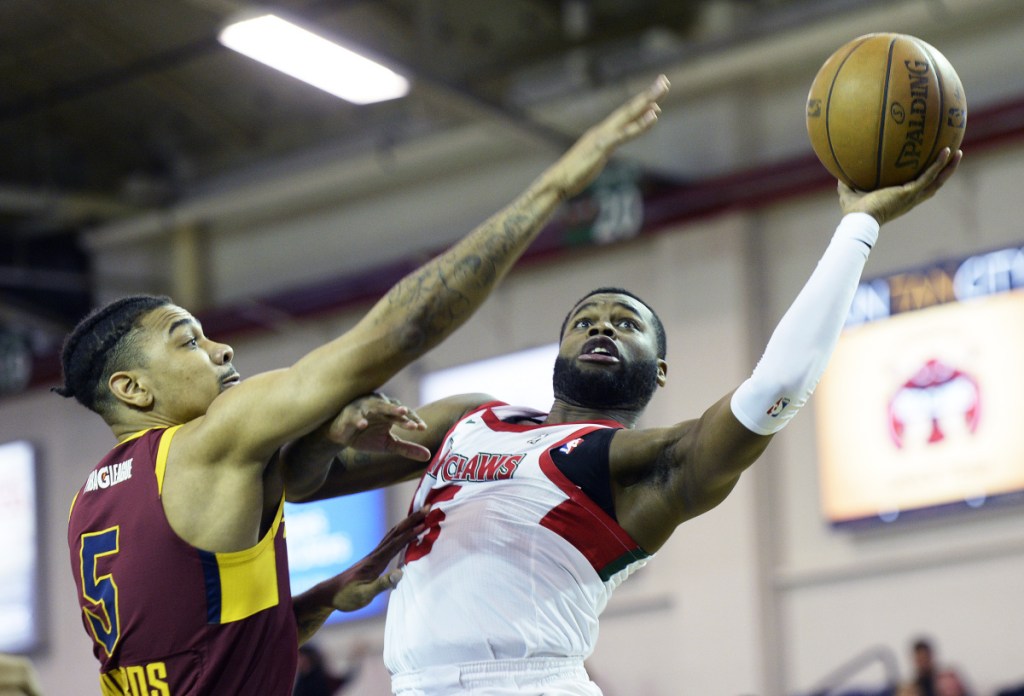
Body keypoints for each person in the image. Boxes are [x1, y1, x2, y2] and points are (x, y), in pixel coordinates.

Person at [58, 75, 669, 696]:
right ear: (132, 389)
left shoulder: (90, 504)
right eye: (188, 340)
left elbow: (190, 655)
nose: (222, 348)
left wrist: (320, 601)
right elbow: (400, 331)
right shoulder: (207, 442)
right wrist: (555, 185)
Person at [294, 146, 963, 695]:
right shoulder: (471, 417)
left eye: (625, 322)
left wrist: (858, 226)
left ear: (661, 368)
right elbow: (306, 483)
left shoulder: (642, 465)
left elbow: (779, 386)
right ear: (558, 351)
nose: (601, 327)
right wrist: (330, 433)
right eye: (583, 319)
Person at [898, 637, 971, 696]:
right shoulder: (912, 687)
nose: (923, 662)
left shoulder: (947, 682)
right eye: (919, 659)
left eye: (925, 658)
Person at [293, 641, 369, 696]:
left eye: (301, 658)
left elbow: (345, 678)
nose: (299, 662)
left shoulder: (321, 680)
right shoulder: (299, 681)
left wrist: (357, 658)